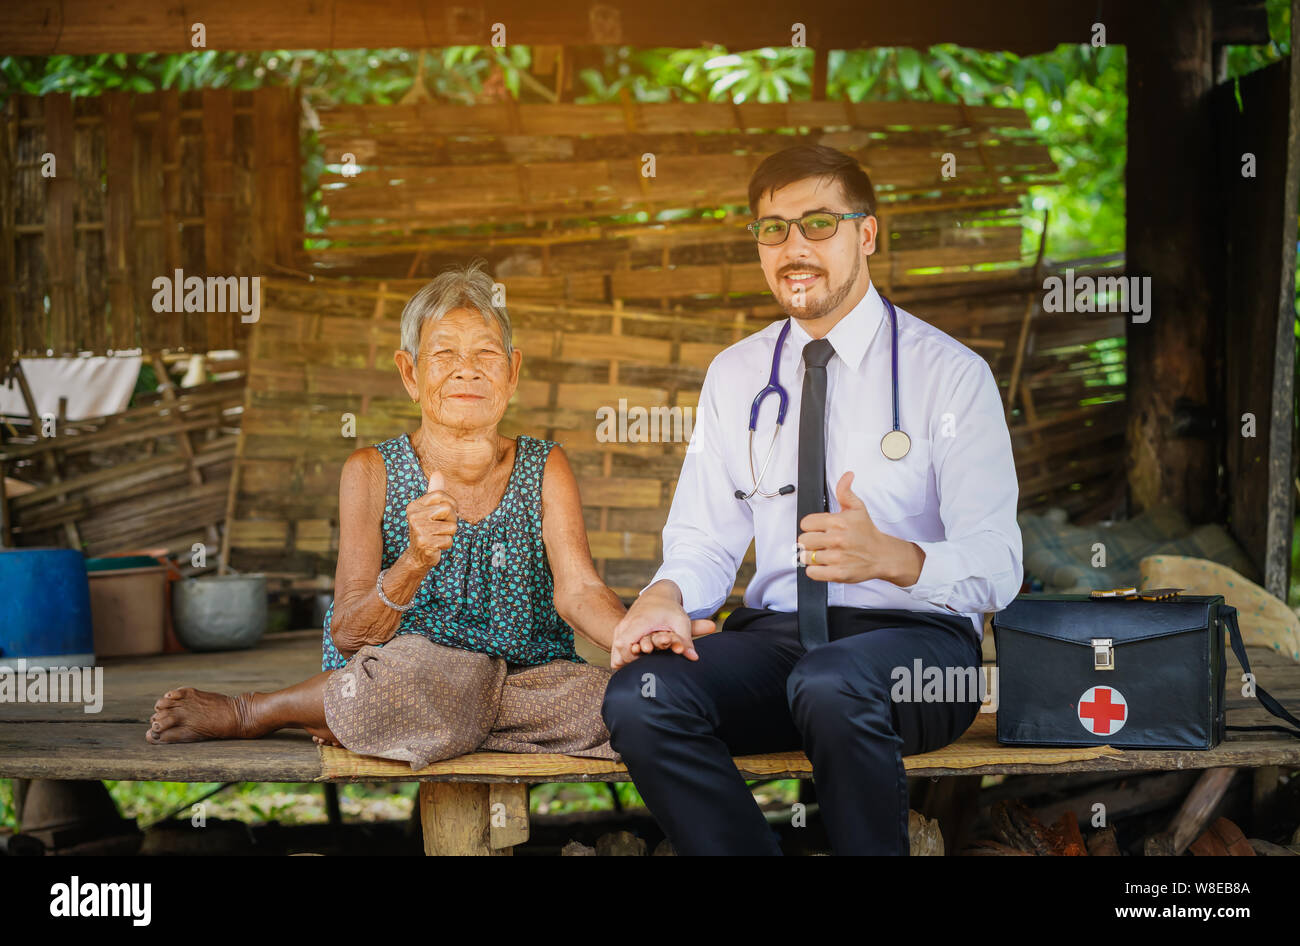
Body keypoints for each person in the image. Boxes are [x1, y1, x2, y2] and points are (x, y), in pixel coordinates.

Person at [601, 144, 1024, 855]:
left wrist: (896, 558)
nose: (794, 247)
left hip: (920, 653)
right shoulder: (737, 375)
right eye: (774, 229)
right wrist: (665, 596)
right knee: (643, 697)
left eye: (818, 224)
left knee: (831, 683)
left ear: (866, 234)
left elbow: (1001, 565)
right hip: (779, 643)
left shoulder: (950, 376)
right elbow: (706, 537)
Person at [146, 261, 702, 766]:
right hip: (406, 670)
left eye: (486, 354)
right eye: (444, 355)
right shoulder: (369, 470)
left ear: (511, 372)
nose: (467, 371)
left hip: (529, 677)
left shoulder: (545, 464)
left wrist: (633, 633)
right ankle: (257, 711)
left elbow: (578, 590)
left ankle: (399, 723)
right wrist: (414, 559)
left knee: (628, 704)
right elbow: (347, 634)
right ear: (410, 374)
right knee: (418, 676)